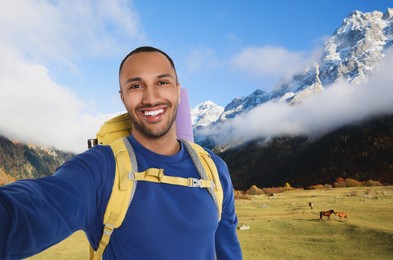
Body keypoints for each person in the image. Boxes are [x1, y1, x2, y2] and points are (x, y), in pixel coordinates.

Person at [0, 46, 242, 259]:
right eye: (136, 85)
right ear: (123, 97)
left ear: (178, 91)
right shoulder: (101, 168)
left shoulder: (214, 169)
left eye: (162, 82)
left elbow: (228, 252)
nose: (151, 97)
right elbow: (37, 205)